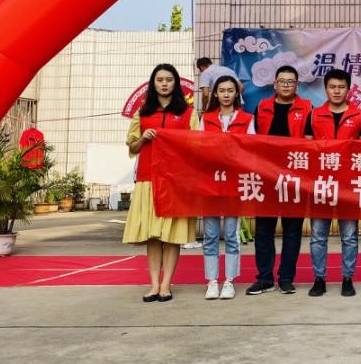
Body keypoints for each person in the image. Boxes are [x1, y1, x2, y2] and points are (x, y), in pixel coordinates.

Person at [123, 63, 197, 302]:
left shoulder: (188, 113)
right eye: (160, 80)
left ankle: (166, 285)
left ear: (176, 83)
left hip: (175, 182)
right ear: (153, 84)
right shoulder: (142, 113)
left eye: (169, 79)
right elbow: (132, 147)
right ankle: (154, 284)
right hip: (148, 180)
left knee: (171, 235)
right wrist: (143, 138)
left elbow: (196, 146)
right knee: (153, 235)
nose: (164, 84)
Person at [247, 65, 312, 295]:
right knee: (263, 231)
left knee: (292, 231)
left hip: (295, 178)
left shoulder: (307, 108)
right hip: (266, 177)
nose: (286, 85)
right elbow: (252, 140)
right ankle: (264, 278)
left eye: (290, 82)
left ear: (297, 85)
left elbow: (312, 142)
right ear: (274, 84)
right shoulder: (262, 107)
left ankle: (286, 278)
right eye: (282, 81)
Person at [306, 69, 361, 298]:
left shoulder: (359, 116)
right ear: (326, 89)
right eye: (332, 87)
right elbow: (306, 149)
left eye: (341, 87)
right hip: (320, 184)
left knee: (349, 235)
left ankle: (347, 278)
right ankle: (319, 279)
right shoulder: (314, 115)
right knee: (318, 236)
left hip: (348, 185)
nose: (336, 91)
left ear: (348, 89)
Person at [199, 74, 254, 301]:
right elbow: (199, 148)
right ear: (215, 93)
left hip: (234, 183)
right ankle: (212, 281)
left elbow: (252, 148)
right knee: (211, 235)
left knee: (231, 234)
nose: (226, 95)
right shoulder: (207, 119)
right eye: (221, 90)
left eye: (230, 90)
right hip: (210, 184)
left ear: (236, 93)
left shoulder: (247, 119)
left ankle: (229, 281)